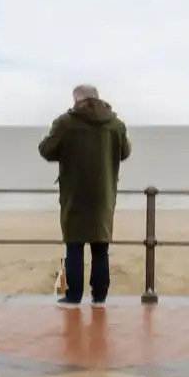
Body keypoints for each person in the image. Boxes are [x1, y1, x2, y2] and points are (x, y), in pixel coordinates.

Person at [38, 84, 131, 307]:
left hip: (75, 191)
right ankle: (99, 296)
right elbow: (125, 151)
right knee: (101, 246)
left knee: (74, 244)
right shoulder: (115, 124)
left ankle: (74, 296)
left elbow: (46, 150)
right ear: (97, 98)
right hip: (103, 192)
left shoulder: (66, 122)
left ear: (77, 99)